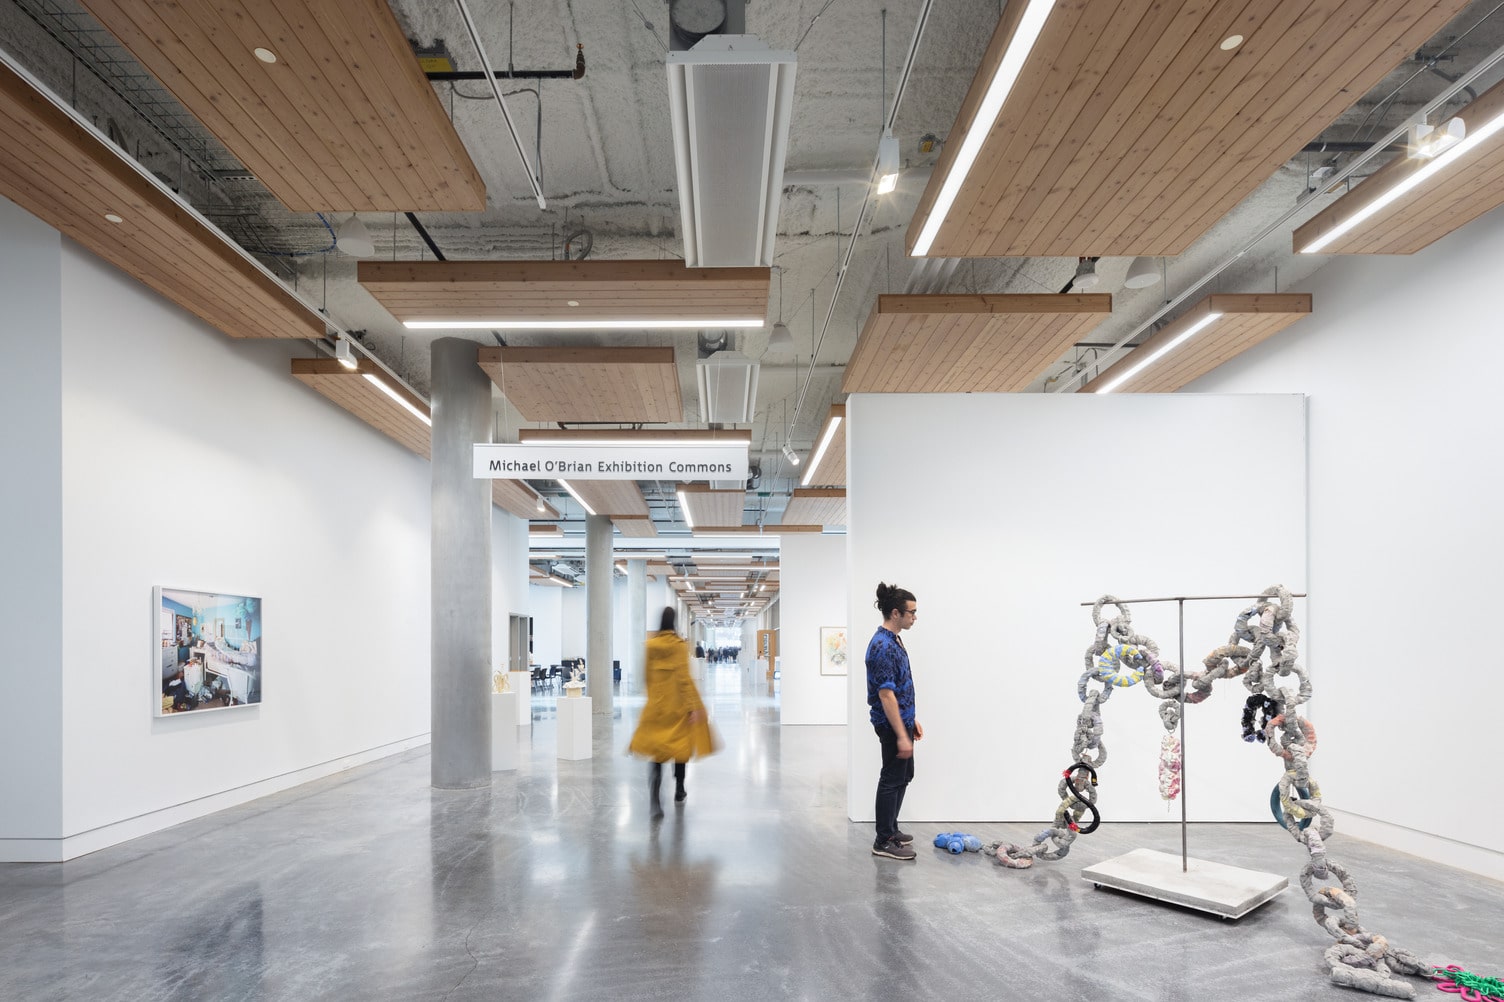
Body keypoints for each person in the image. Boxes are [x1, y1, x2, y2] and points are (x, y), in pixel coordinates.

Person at [629, 607, 720, 818]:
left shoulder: (650, 645)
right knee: (681, 748)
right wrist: (692, 707)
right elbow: (683, 679)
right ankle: (679, 789)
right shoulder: (680, 646)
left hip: (657, 707)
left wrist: (653, 700)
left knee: (657, 751)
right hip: (677, 707)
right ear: (675, 622)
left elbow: (646, 677)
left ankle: (655, 799)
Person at [866, 581, 921, 860]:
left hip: (903, 721)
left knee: (903, 775)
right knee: (891, 778)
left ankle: (891, 828)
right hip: (891, 724)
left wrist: (912, 720)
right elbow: (886, 695)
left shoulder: (895, 640)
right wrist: (901, 733)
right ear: (896, 613)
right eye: (911, 612)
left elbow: (901, 687)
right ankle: (883, 839)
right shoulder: (882, 646)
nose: (915, 617)